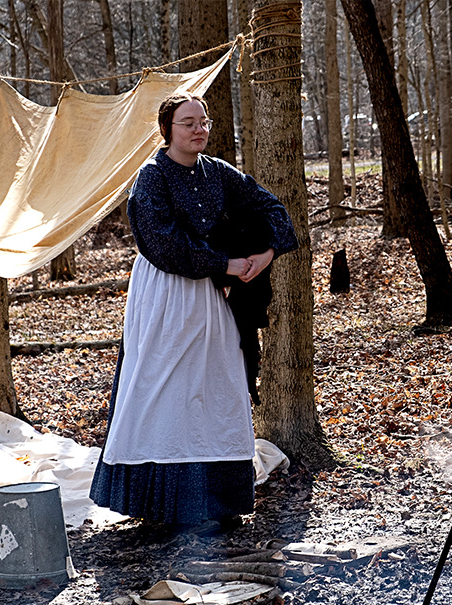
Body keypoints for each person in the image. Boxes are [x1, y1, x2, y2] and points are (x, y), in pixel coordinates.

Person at [89, 92, 298, 534]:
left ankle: (216, 498)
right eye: (188, 123)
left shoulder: (219, 173)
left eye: (204, 120)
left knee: (216, 385)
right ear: (167, 129)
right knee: (165, 385)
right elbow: (164, 245)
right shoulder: (151, 178)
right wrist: (224, 265)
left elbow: (272, 209)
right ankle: (164, 504)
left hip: (209, 297)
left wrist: (265, 253)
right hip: (166, 294)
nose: (199, 129)